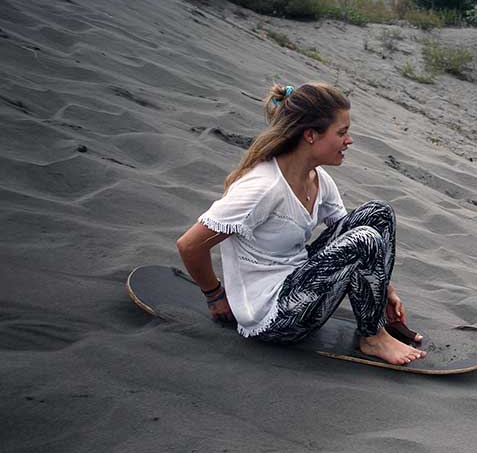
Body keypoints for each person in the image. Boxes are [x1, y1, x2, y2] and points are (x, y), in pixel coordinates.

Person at [176, 82, 426, 365]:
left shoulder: (318, 179)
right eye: (342, 132)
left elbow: (353, 242)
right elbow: (189, 245)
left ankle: (376, 318)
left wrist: (385, 291)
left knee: (377, 214)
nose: (349, 141)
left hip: (300, 285)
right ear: (310, 135)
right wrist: (214, 294)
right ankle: (372, 337)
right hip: (272, 315)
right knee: (364, 238)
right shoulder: (262, 188)